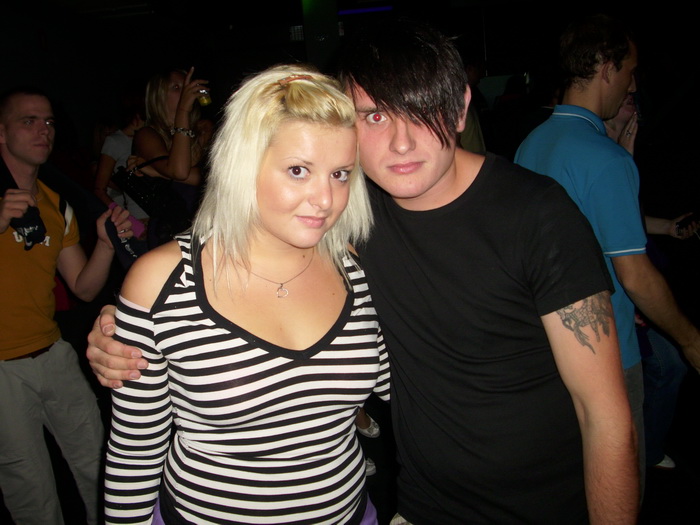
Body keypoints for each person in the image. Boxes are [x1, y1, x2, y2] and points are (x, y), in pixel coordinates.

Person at [87, 21, 638, 524]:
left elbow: (603, 415)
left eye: (338, 174)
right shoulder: (339, 234)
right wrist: (125, 333)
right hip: (419, 506)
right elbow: (136, 454)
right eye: (375, 116)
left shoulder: (525, 218)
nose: (400, 142)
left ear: (462, 107)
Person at [102, 65, 390, 524]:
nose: (325, 199)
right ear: (243, 164)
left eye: (340, 174)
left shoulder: (353, 268)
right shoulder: (161, 281)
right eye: (298, 170)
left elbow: (404, 384)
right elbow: (135, 449)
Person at [516, 14, 700, 487]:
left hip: (548, 347)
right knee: (620, 485)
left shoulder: (531, 144)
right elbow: (636, 274)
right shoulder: (605, 157)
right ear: (607, 68)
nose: (632, 84)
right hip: (608, 353)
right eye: (630, 71)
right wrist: (689, 339)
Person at [0, 87, 131, 525]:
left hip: (53, 353)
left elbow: (83, 288)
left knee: (99, 466)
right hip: (3, 370)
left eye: (49, 122)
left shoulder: (55, 203)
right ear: (1, 133)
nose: (44, 130)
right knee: (31, 488)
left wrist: (106, 245)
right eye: (29, 121)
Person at [128, 67, 209, 247]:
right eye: (176, 87)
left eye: (187, 86)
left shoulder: (204, 129)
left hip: (205, 222)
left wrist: (157, 172)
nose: (186, 91)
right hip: (171, 231)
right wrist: (183, 111)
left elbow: (211, 178)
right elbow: (179, 171)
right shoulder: (147, 134)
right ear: (158, 96)